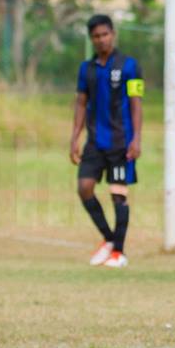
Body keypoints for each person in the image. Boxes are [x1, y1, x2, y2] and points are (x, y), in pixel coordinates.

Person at [70, 14, 143, 268]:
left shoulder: (129, 65)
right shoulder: (86, 69)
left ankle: (118, 253)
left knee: (118, 195)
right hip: (94, 142)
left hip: (121, 143)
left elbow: (136, 103)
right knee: (84, 187)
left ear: (113, 34)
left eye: (105, 34)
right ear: (91, 39)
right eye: (96, 36)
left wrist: (136, 139)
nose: (101, 40)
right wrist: (74, 137)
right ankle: (110, 239)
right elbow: (81, 102)